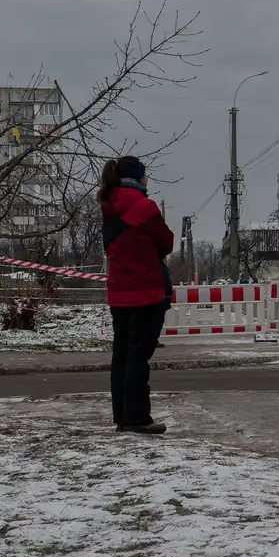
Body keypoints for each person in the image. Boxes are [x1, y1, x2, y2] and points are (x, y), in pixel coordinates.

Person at [100, 155, 177, 434]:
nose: (148, 180)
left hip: (119, 292)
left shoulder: (107, 206)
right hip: (146, 292)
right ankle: (137, 418)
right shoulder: (144, 206)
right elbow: (167, 243)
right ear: (138, 177)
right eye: (146, 175)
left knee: (121, 355)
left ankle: (121, 415)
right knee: (138, 357)